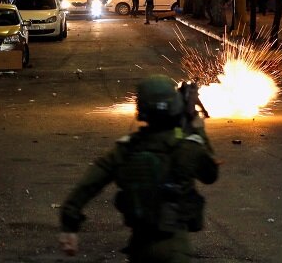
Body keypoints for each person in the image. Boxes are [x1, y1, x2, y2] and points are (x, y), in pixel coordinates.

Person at [59, 75, 218, 263]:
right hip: (175, 249)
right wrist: (198, 129)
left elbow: (87, 185)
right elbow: (210, 174)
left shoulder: (127, 149)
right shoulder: (186, 147)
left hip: (139, 249)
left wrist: (69, 226)